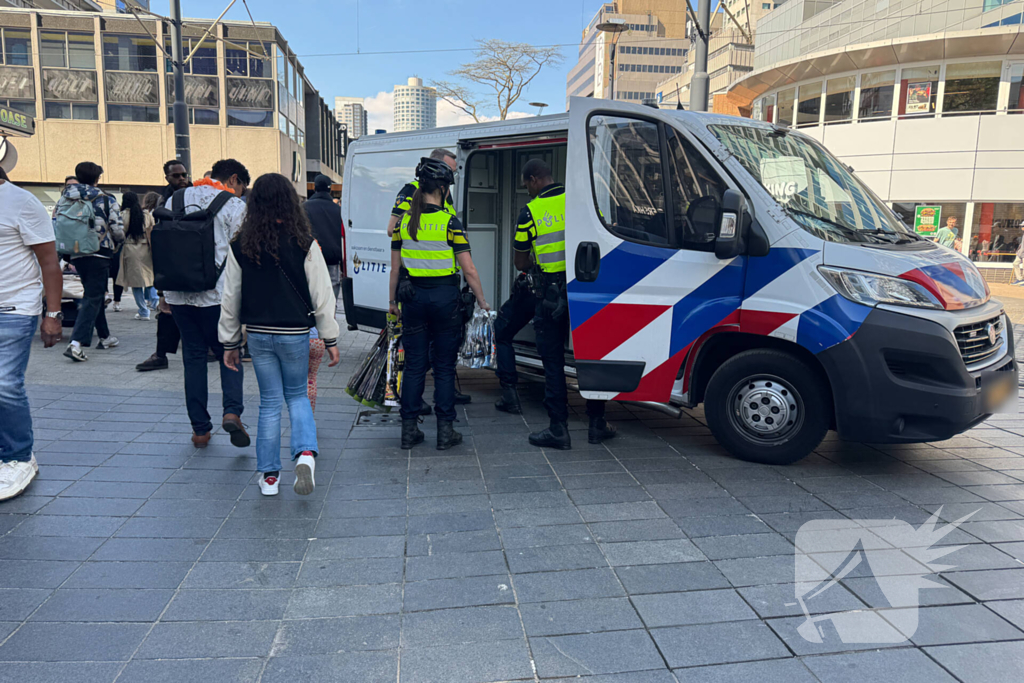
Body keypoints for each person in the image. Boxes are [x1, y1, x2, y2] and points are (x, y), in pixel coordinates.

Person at [220, 173, 340, 496]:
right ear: (291, 202)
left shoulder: (240, 245)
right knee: (298, 395)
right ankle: (304, 454)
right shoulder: (305, 243)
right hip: (296, 332)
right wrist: (330, 338)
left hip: (258, 334)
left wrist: (230, 342)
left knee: (270, 403)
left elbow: (230, 298)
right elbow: (322, 295)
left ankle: (270, 477)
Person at [513, 159, 616, 450]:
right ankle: (597, 424)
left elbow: (520, 261)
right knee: (593, 358)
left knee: (553, 362)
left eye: (526, 185)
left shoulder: (529, 212)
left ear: (534, 179)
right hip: (588, 288)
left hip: (551, 293)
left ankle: (558, 429)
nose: (528, 191)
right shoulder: (582, 203)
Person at [388, 157, 489, 451]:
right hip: (446, 300)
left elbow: (395, 269)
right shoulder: (450, 223)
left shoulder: (404, 223)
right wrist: (482, 300)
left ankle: (409, 431)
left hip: (413, 300)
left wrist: (392, 301)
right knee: (444, 368)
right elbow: (469, 270)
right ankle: (445, 432)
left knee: (416, 366)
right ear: (443, 189)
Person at [164, 159, 249, 448]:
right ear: (233, 180)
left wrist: (162, 294)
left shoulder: (175, 198)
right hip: (219, 296)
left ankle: (200, 429)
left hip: (179, 293)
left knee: (194, 358)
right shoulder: (234, 205)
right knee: (230, 353)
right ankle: (232, 411)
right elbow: (246, 253)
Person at [0, 167, 64, 500]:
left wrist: (52, 314)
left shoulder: (21, 202)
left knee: (6, 384)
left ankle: (18, 456)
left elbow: (49, 261)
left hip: (13, 307)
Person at [389, 148, 471, 408]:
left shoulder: (443, 196)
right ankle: (425, 404)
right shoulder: (411, 190)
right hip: (418, 283)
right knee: (424, 357)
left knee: (438, 354)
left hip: (434, 287)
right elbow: (394, 227)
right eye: (450, 170)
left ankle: (415, 412)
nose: (452, 175)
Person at [61, 162, 123, 362]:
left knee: (92, 294)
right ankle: (76, 343)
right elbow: (117, 229)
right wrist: (118, 242)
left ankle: (105, 337)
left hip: (76, 251)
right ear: (98, 178)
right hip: (99, 251)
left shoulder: (67, 197)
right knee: (93, 297)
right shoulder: (106, 198)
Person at [115, 192, 159, 321]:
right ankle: (155, 302)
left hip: (130, 249)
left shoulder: (123, 215)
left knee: (136, 283)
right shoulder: (146, 215)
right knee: (149, 278)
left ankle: (143, 311)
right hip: (146, 248)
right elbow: (152, 232)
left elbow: (119, 234)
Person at [304, 174, 344, 297]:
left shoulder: (304, 207)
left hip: (310, 258)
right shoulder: (338, 210)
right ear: (330, 189)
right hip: (333, 259)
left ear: (314, 188)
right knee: (331, 294)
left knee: (311, 293)